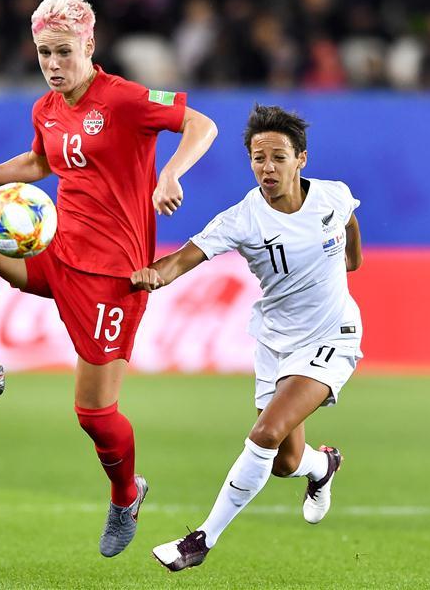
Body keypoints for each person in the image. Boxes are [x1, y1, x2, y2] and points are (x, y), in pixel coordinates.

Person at [0, 0, 217, 558]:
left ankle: (126, 494)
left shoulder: (125, 99)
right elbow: (39, 163)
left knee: (94, 415)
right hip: (55, 252)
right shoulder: (46, 108)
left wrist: (170, 174)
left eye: (63, 52)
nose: (52, 64)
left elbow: (202, 125)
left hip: (114, 277)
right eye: (43, 53)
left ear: (89, 45)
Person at [134, 105, 363, 571]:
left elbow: (349, 221)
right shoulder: (242, 219)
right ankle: (323, 466)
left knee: (264, 434)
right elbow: (182, 259)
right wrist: (152, 275)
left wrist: (352, 261)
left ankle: (201, 540)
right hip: (276, 344)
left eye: (279, 157)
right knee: (284, 461)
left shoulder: (333, 196)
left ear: (301, 159)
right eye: (259, 159)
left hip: (332, 337)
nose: (268, 168)